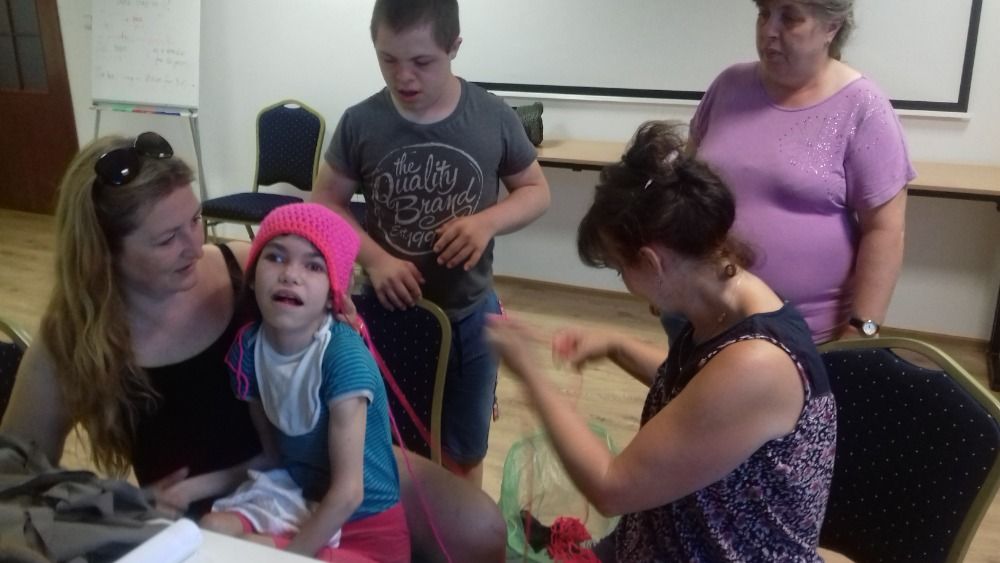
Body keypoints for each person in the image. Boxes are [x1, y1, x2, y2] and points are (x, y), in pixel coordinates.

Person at [0, 133, 507, 562]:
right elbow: (17, 476)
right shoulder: (69, 339)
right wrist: (116, 503)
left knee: (481, 530)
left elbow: (325, 297)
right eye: (167, 239)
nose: (194, 245)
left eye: (195, 220)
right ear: (102, 254)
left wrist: (339, 309)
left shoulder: (245, 265)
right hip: (220, 502)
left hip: (321, 456)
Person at [487, 121, 837, 561]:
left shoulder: (758, 364)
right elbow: (702, 399)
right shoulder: (728, 300)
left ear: (652, 262)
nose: (624, 282)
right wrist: (617, 346)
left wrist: (530, 374)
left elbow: (612, 488)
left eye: (620, 269)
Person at [311, 0, 551, 485]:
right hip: (388, 313)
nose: (404, 77)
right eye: (388, 59)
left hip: (470, 317)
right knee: (387, 441)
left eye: (422, 61)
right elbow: (325, 203)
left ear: (454, 47)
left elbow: (536, 191)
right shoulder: (361, 121)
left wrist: (486, 223)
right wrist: (376, 259)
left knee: (463, 453)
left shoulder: (492, 116)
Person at [688, 0, 914, 343]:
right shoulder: (728, 85)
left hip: (805, 338)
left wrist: (862, 329)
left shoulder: (862, 105)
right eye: (764, 13)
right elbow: (686, 187)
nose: (769, 31)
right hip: (705, 318)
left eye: (790, 18)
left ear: (831, 27)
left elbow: (885, 230)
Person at [197, 203, 408, 561]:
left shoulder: (343, 358)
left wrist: (285, 558)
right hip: (300, 499)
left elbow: (348, 494)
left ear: (333, 293)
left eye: (313, 266)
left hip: (365, 529)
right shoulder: (248, 348)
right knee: (212, 530)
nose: (290, 275)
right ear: (253, 275)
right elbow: (272, 455)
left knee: (244, 555)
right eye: (275, 257)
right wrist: (185, 490)